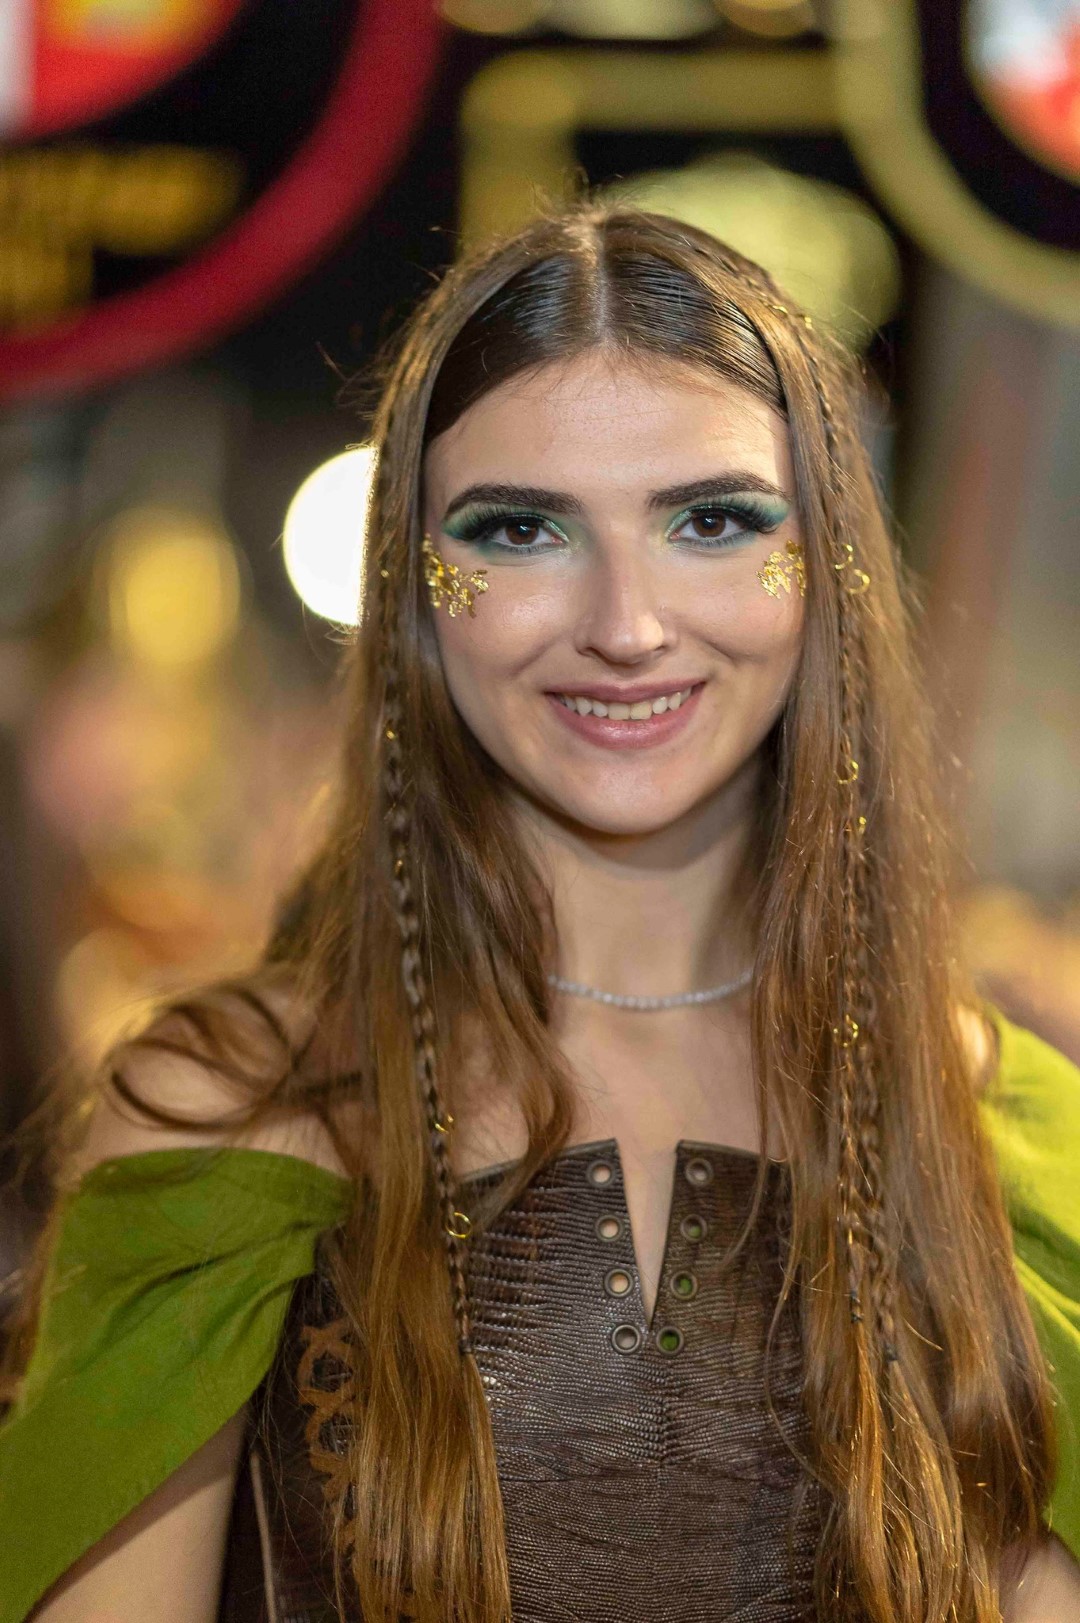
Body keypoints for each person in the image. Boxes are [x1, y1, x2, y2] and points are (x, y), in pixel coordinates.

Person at [1, 206, 1079, 1623]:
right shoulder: (231, 1110)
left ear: (824, 561)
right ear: (417, 586)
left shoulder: (1006, 1135)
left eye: (711, 521)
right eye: (522, 529)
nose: (625, 624)